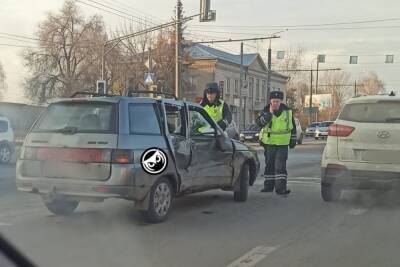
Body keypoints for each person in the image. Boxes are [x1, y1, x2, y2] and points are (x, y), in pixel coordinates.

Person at [256, 91, 297, 195]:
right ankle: (268, 186)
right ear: (270, 101)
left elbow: (293, 128)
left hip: (282, 144)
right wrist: (269, 114)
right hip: (269, 143)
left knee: (280, 166)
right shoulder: (265, 110)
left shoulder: (287, 112)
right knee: (269, 165)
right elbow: (259, 123)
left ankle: (281, 188)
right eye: (273, 101)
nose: (275, 103)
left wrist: (293, 140)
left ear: (281, 102)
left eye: (277, 101)